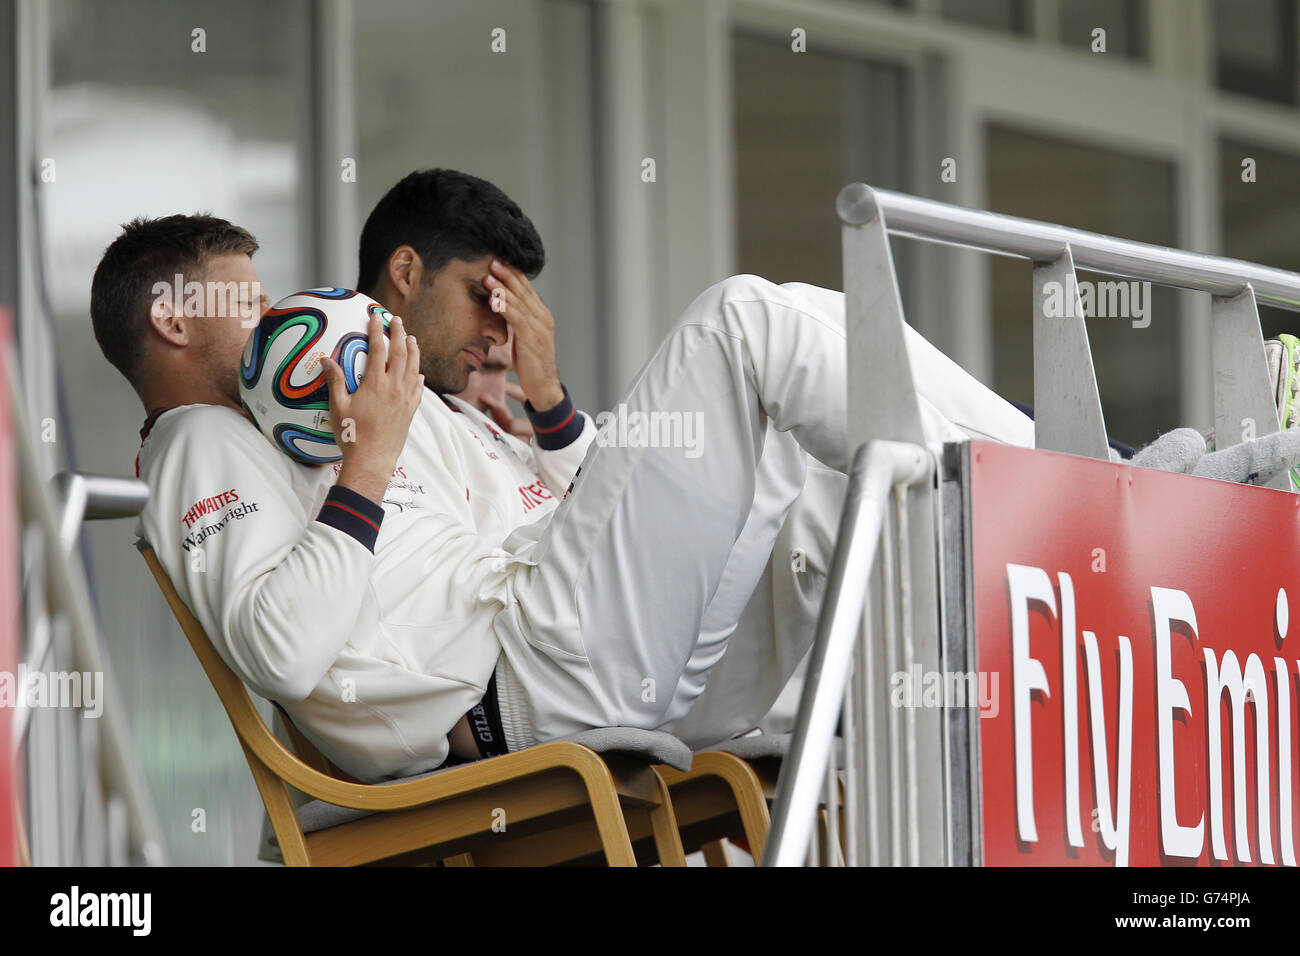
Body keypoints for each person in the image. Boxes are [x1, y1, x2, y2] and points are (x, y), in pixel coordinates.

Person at [93, 171, 1300, 784]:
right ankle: (1106, 486)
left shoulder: (330, 424)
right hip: (518, 703)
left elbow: (581, 522)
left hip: (596, 666)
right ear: (169, 319)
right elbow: (290, 649)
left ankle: (1113, 570)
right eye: (239, 296)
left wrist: (552, 415)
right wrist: (371, 454)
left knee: (849, 493)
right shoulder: (211, 447)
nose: (269, 312)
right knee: (744, 322)